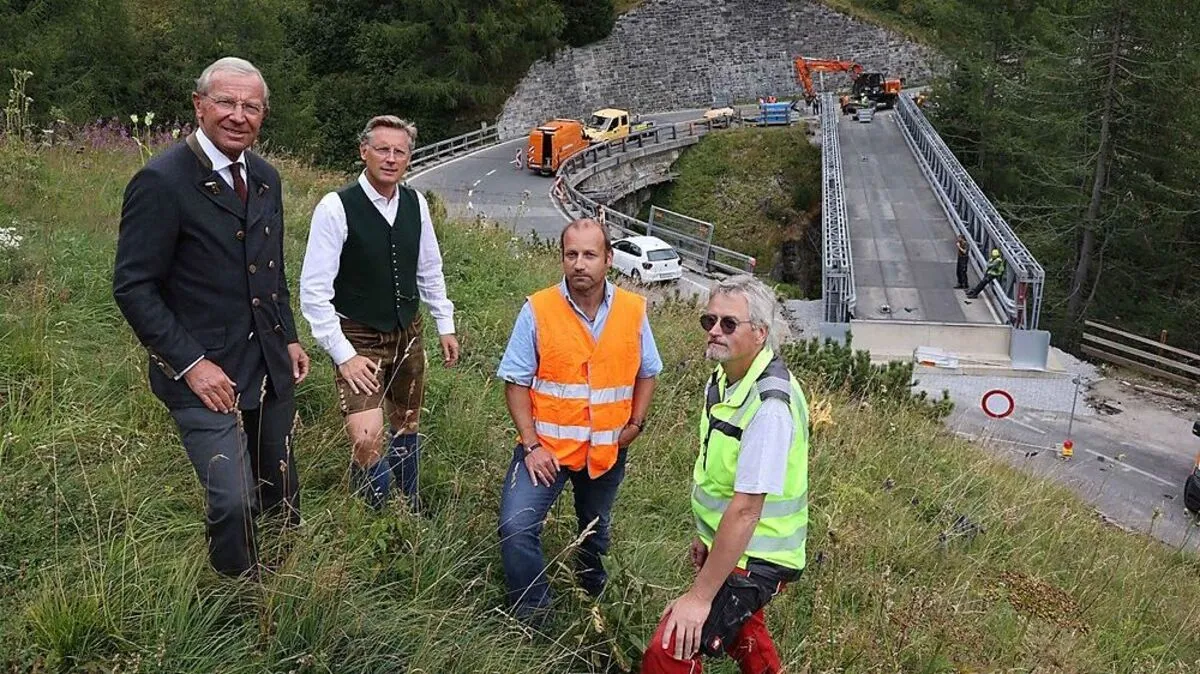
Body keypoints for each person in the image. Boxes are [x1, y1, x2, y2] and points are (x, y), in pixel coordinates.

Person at [113, 57, 310, 577]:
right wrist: (192, 365)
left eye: (251, 106)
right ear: (199, 105)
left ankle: (287, 586)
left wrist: (288, 336)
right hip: (203, 373)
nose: (238, 115)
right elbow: (133, 287)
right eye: (226, 102)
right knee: (233, 500)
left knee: (281, 490)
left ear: (263, 115)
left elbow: (271, 269)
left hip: (267, 362)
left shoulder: (265, 178)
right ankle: (238, 593)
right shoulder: (161, 181)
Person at [495, 218, 661, 623]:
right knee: (516, 527)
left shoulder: (632, 310)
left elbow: (648, 371)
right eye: (571, 254)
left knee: (595, 532)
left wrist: (636, 424)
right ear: (562, 258)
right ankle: (536, 616)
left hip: (607, 450)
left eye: (590, 254)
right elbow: (515, 382)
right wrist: (531, 444)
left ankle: (593, 604)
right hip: (546, 451)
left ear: (609, 259)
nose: (579, 263)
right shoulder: (538, 309)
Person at [642, 275, 809, 674]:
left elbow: (747, 510)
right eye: (709, 320)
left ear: (760, 333)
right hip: (737, 543)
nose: (715, 330)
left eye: (729, 323)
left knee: (669, 650)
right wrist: (708, 536)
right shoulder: (726, 377)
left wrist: (699, 597)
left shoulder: (769, 405)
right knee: (743, 631)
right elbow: (723, 477)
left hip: (760, 554)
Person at [299, 115, 459, 512]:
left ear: (408, 159)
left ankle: (408, 507)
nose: (391, 158)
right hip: (359, 336)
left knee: (407, 422)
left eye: (399, 151)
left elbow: (429, 268)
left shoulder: (416, 204)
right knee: (366, 439)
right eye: (382, 149)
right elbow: (314, 293)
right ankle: (378, 514)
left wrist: (445, 324)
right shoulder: (336, 207)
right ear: (363, 152)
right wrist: (344, 355)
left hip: (408, 330)